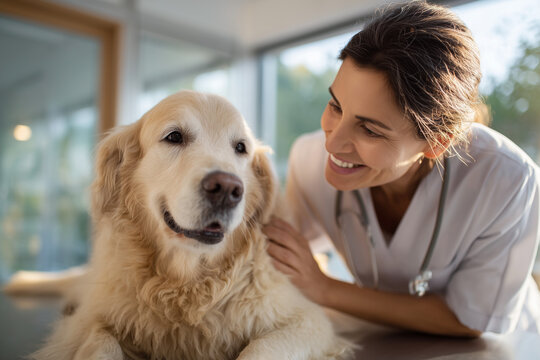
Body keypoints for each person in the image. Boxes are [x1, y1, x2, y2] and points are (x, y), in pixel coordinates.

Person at [263, 0, 540, 337]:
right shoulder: (306, 161)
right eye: (336, 105)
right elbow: (280, 257)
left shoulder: (506, 178)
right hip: (382, 339)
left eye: (370, 130)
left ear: (436, 142)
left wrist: (327, 290)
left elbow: (471, 320)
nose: (333, 145)